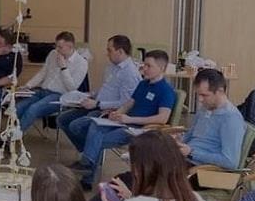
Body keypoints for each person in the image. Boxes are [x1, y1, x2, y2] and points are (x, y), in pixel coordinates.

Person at [71, 50, 176, 190]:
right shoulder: (143, 84)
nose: (144, 68)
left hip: (139, 128)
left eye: (149, 66)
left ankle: (87, 173)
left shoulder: (166, 90)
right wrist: (118, 113)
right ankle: (87, 167)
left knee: (97, 139)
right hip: (126, 121)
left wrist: (130, 119)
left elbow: (162, 118)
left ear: (161, 68)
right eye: (144, 65)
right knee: (93, 127)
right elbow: (130, 103)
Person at [58, 35, 141, 152]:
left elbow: (125, 103)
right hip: (97, 105)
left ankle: (90, 154)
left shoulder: (129, 73)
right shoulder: (112, 67)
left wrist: (97, 104)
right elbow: (106, 88)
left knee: (77, 125)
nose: (107, 54)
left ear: (120, 51)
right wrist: (91, 94)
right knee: (63, 119)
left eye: (110, 50)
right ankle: (87, 150)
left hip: (110, 111)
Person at [12, 31, 89, 135]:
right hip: (42, 90)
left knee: (33, 109)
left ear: (70, 46)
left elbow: (72, 88)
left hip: (60, 96)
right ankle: (10, 133)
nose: (57, 49)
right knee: (18, 108)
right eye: (56, 46)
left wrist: (63, 68)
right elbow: (42, 73)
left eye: (60, 47)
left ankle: (14, 138)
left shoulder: (81, 63)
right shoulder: (53, 53)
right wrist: (28, 85)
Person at [179, 69, 245, 170]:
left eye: (204, 95)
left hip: (201, 170)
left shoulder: (231, 118)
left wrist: (192, 153)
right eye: (198, 94)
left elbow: (230, 162)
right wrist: (178, 141)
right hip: (187, 159)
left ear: (220, 91)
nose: (200, 100)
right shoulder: (205, 108)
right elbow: (191, 134)